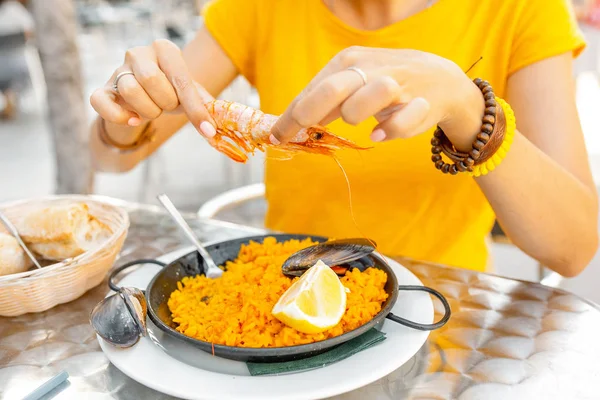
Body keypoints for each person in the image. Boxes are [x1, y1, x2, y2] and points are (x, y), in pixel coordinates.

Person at [89, 0, 599, 277]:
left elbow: (574, 251)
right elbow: (111, 161)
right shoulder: (258, 8)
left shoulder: (524, 9)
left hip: (441, 314)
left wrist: (467, 107)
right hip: (284, 293)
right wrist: (124, 110)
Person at [0, 0, 34, 119]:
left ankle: (9, 101)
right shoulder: (16, 9)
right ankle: (11, 100)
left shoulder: (10, 8)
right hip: (18, 57)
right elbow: (28, 30)